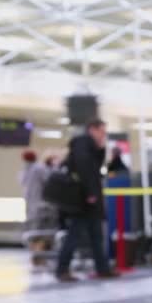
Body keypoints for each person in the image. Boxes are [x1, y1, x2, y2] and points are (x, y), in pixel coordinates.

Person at [56, 119, 119, 282]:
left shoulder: (90, 144)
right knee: (74, 235)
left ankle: (102, 269)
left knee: (96, 235)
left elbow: (96, 166)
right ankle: (62, 270)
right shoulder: (82, 143)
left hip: (89, 198)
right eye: (102, 132)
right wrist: (91, 193)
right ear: (92, 129)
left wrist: (101, 147)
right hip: (83, 199)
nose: (103, 135)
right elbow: (84, 168)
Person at [19, 150, 56, 267]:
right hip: (42, 207)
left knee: (33, 234)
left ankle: (36, 258)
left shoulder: (23, 172)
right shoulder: (40, 169)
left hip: (29, 207)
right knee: (42, 234)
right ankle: (40, 257)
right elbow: (50, 181)